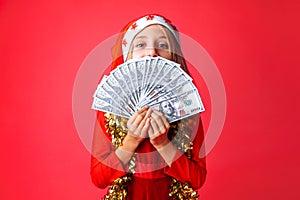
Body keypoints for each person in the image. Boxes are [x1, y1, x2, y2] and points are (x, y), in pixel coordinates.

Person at [91, 14, 207, 200]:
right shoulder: (109, 110)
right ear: (126, 56)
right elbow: (99, 178)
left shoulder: (187, 110)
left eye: (163, 45)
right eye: (140, 45)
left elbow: (197, 179)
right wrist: (131, 140)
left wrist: (163, 143)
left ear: (175, 57)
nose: (152, 52)